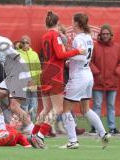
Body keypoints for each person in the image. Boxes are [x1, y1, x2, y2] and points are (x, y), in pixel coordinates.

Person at [28, 11, 84, 149]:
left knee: (46, 108)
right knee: (58, 108)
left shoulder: (45, 35)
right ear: (58, 23)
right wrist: (77, 51)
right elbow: (60, 54)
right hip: (54, 74)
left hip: (45, 72)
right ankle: (40, 136)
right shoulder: (55, 35)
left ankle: (33, 135)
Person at [59, 13, 110, 149]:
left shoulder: (78, 38)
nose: (71, 23)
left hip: (79, 76)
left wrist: (68, 57)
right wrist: (72, 57)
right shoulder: (87, 37)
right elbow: (84, 56)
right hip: (87, 75)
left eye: (72, 21)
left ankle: (72, 141)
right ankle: (103, 133)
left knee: (65, 109)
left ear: (77, 23)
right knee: (85, 109)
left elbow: (80, 57)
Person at [0, 16, 34, 134]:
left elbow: (19, 58)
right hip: (11, 77)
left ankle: (33, 131)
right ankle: (2, 130)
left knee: (14, 107)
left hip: (19, 75)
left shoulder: (1, 44)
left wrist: (28, 77)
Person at [90, 24, 120, 135]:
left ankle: (112, 127)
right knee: (97, 105)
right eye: (103, 34)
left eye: (107, 34)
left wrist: (116, 73)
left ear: (110, 35)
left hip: (112, 82)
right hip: (98, 81)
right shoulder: (95, 46)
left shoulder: (117, 47)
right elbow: (90, 62)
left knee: (111, 105)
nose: (105, 36)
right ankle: (95, 128)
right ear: (100, 35)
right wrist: (97, 73)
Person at [18, 35, 41, 121]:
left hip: (33, 85)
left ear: (30, 43)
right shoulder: (17, 54)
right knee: (24, 106)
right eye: (23, 42)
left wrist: (37, 83)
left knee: (34, 106)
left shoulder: (34, 54)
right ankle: (25, 125)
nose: (25, 44)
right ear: (20, 44)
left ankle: (31, 126)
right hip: (23, 85)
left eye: (27, 42)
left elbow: (38, 69)